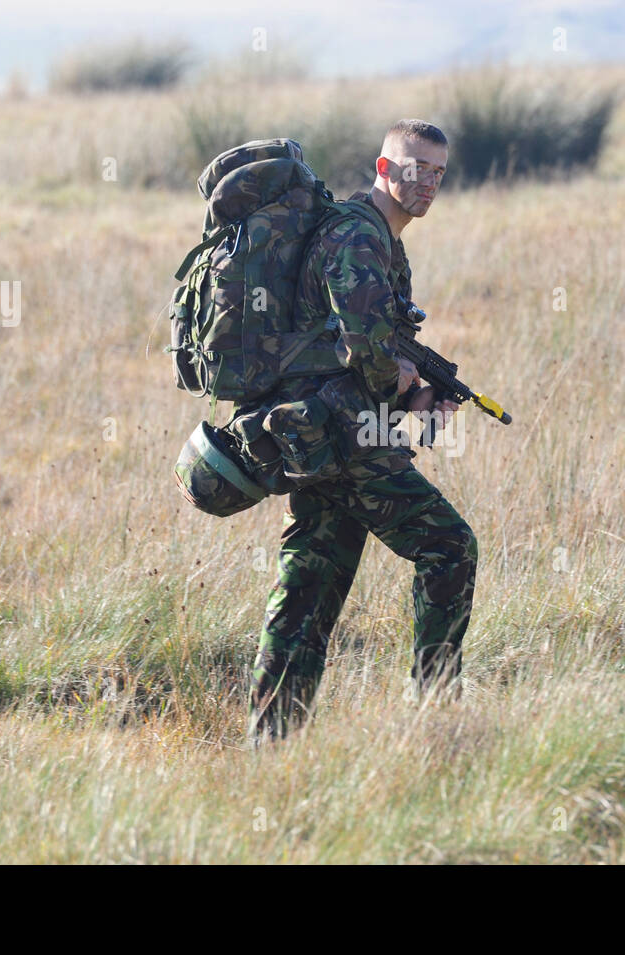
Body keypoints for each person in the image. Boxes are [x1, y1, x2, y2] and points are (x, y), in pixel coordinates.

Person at [243, 119, 477, 744]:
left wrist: (415, 386)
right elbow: (369, 354)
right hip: (347, 438)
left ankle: (271, 740)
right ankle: (435, 717)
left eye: (437, 173)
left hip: (325, 433)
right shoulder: (358, 237)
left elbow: (371, 352)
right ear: (382, 168)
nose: (425, 182)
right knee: (449, 548)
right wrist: (411, 388)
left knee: (310, 583)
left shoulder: (383, 240)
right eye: (412, 167)